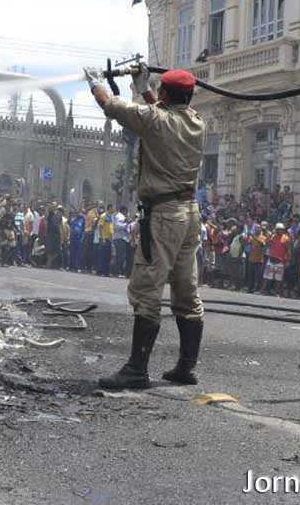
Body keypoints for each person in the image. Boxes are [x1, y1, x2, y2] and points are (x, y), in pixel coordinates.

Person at [85, 63, 205, 389]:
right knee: (186, 290)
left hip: (164, 214)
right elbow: (162, 114)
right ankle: (186, 367)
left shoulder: (155, 119)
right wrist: (146, 88)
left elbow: (110, 104)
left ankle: (137, 370)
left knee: (146, 288)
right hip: (189, 212)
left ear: (165, 93)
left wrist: (95, 81)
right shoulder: (196, 122)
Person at [263, 223, 288, 295]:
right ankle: (263, 291)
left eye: (281, 230)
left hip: (280, 261)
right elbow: (267, 243)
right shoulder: (273, 237)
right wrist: (271, 235)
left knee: (278, 279)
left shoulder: (286, 238)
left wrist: (287, 259)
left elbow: (288, 249)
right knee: (267, 277)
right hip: (271, 259)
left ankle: (277, 292)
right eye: (278, 230)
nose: (279, 231)